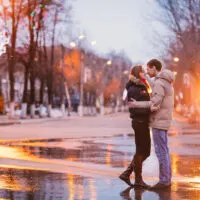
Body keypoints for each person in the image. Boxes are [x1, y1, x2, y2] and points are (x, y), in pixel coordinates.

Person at [128, 59, 175, 190]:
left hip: (159, 121)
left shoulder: (159, 83)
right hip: (163, 120)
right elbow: (156, 93)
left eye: (148, 69)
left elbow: (155, 102)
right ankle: (167, 179)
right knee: (164, 151)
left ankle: (164, 181)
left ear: (154, 68)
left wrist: (137, 104)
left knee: (161, 152)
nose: (147, 72)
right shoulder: (166, 81)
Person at [119, 65, 156, 188]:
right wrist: (150, 107)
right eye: (142, 71)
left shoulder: (141, 85)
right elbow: (134, 106)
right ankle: (138, 180)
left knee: (145, 152)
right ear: (138, 73)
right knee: (141, 151)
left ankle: (127, 173)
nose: (145, 73)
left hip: (142, 122)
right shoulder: (135, 88)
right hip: (139, 122)